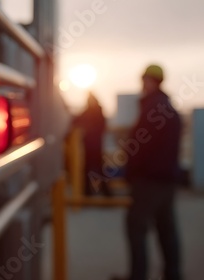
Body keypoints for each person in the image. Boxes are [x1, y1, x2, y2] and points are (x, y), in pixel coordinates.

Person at [123, 64, 182, 280]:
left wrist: (129, 173)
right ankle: (173, 274)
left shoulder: (151, 109)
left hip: (148, 181)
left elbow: (139, 145)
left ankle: (138, 275)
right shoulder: (170, 108)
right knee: (167, 229)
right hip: (168, 181)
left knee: (136, 228)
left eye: (145, 80)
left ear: (152, 81)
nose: (143, 84)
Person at [73, 92, 111, 196]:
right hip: (95, 145)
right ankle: (103, 192)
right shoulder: (96, 110)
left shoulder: (91, 111)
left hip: (91, 145)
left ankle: (89, 192)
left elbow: (76, 120)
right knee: (97, 168)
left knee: (90, 169)